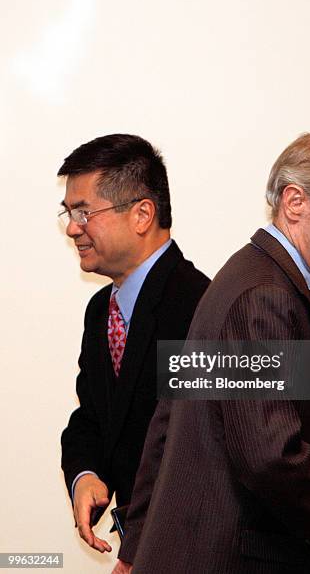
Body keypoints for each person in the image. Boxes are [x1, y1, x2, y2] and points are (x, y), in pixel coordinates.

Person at [114, 132, 310, 574]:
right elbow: (268, 455)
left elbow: (165, 423)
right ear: (294, 202)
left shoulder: (247, 276)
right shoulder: (263, 296)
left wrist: (137, 547)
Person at [58, 133, 209, 554]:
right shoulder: (100, 310)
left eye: (84, 212)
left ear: (142, 214)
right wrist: (85, 474)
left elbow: (201, 456)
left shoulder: (202, 307)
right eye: (68, 213)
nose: (73, 228)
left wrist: (141, 545)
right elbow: (93, 417)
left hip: (190, 550)